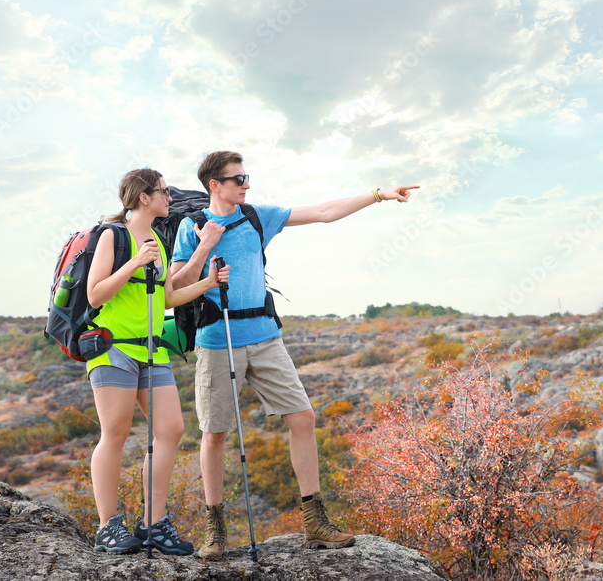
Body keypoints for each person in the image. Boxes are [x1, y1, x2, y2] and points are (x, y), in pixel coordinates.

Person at [170, 151, 418, 560]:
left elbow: (322, 212)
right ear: (214, 185)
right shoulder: (191, 226)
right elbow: (175, 284)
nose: (246, 184)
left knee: (302, 417)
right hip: (217, 338)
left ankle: (315, 523)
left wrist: (379, 194)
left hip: (265, 336)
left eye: (247, 177)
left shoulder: (256, 216)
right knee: (214, 434)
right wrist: (206, 246)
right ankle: (215, 532)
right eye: (238, 179)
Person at [85, 168, 230, 555]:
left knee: (171, 429)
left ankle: (153, 523)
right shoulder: (112, 236)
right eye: (164, 192)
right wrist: (134, 263)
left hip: (152, 350)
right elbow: (96, 295)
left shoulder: (158, 242)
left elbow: (165, 299)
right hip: (113, 348)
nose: (171, 197)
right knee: (114, 433)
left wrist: (207, 285)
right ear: (143, 197)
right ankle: (107, 527)